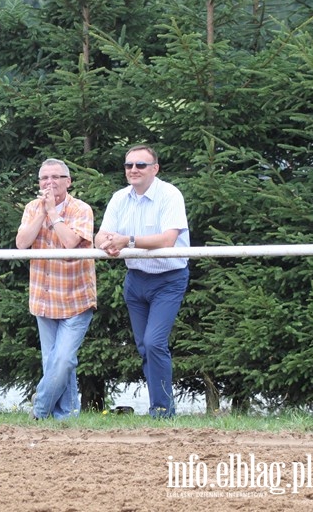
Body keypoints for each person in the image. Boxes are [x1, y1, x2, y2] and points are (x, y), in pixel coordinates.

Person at [95, 145, 190, 419]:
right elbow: (101, 236)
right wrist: (107, 244)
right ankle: (159, 407)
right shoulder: (119, 198)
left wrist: (128, 240)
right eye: (129, 165)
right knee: (144, 346)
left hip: (168, 280)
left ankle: (162, 410)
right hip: (135, 280)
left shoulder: (170, 194)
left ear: (155, 169)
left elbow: (167, 239)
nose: (133, 170)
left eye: (141, 165)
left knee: (154, 342)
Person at [15, 159, 96, 420]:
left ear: (68, 181)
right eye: (44, 179)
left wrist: (54, 214)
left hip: (76, 298)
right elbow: (22, 243)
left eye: (56, 177)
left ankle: (38, 412)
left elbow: (71, 242)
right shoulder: (31, 208)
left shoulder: (81, 209)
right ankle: (67, 417)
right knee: (56, 363)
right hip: (44, 298)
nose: (49, 183)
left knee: (62, 360)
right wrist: (41, 212)